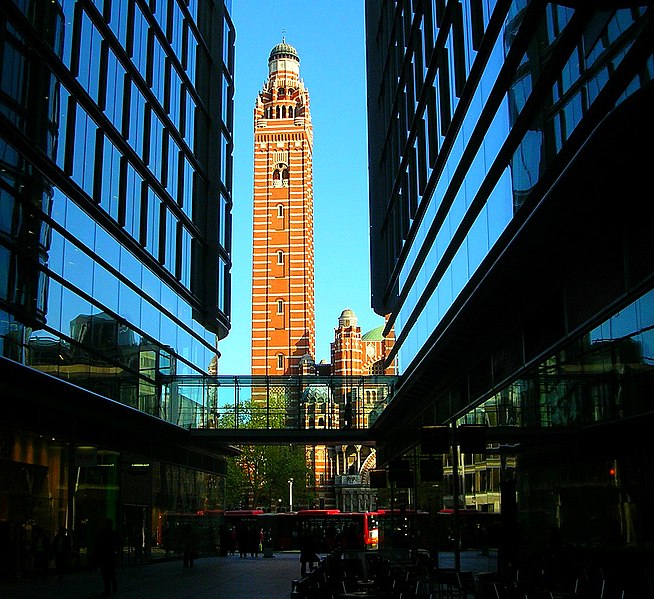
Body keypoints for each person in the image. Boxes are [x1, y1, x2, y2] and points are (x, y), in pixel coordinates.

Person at [94, 519, 120, 597]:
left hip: (104, 556)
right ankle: (113, 585)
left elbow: (98, 544)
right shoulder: (113, 533)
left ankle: (108, 588)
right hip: (110, 556)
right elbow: (118, 543)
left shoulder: (103, 533)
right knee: (111, 572)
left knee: (106, 574)